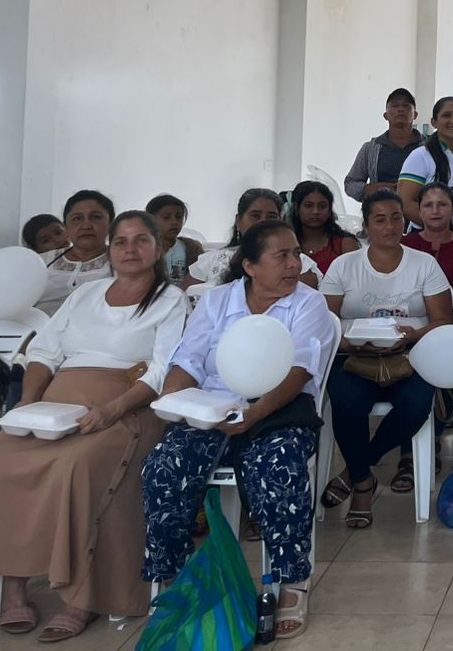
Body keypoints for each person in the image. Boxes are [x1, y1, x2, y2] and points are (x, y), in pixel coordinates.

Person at [0, 210, 186, 639]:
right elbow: (44, 352)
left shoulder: (170, 300)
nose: (130, 249)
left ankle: (82, 597)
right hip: (57, 403)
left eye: (141, 240)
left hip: (128, 407)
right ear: (110, 250)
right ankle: (15, 586)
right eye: (121, 242)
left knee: (75, 467)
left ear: (159, 249)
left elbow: (162, 370)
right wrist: (28, 403)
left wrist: (111, 410)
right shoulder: (86, 294)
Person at [142, 220, 334, 640]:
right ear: (250, 265)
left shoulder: (309, 304)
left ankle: (291, 580)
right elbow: (188, 360)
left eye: (296, 254)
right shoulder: (216, 302)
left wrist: (255, 412)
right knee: (164, 467)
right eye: (281, 256)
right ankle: (173, 579)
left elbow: (299, 372)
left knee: (280, 466)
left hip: (277, 407)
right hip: (213, 406)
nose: (294, 264)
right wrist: (176, 400)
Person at [318, 189, 452, 527]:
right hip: (353, 354)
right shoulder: (344, 266)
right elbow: (324, 324)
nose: (390, 226)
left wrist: (411, 336)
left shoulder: (424, 264)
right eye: (380, 220)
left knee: (417, 403)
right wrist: (354, 344)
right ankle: (363, 483)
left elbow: (442, 321)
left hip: (411, 353)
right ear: (365, 226)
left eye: (396, 218)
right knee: (347, 402)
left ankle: (357, 471)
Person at [399, 96, 453, 241]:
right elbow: (406, 203)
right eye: (447, 115)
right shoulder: (421, 156)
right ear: (434, 122)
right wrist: (448, 233)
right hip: (429, 244)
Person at [402, 181, 453, 334]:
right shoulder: (404, 245)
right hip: (409, 314)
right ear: (419, 211)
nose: (435, 211)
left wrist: (432, 307)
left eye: (442, 204)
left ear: (452, 209)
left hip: (452, 314)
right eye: (428, 205)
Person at [189, 189, 318, 287]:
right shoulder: (210, 261)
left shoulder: (299, 264)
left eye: (271, 217)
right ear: (238, 221)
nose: (263, 222)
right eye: (255, 216)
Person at [345, 86, 425, 203]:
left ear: (415, 115)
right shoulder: (370, 149)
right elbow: (350, 183)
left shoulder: (429, 147)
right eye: (395, 106)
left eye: (406, 106)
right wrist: (374, 188)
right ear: (386, 115)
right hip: (381, 211)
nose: (400, 109)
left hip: (421, 213)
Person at [42, 190, 117, 314]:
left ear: (111, 224)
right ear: (66, 227)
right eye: (77, 218)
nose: (86, 226)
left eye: (96, 217)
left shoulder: (123, 263)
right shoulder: (42, 262)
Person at [287, 180, 361, 275]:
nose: (315, 211)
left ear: (330, 211)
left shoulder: (345, 244)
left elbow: (355, 280)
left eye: (322, 206)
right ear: (297, 209)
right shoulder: (285, 244)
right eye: (308, 206)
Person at [146, 194, 203, 279]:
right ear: (151, 220)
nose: (174, 222)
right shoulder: (142, 250)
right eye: (166, 217)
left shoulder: (192, 248)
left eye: (179, 217)